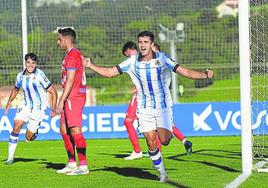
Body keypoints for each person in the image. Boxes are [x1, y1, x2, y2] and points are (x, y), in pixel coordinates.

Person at [83, 31, 213, 182]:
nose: (142, 45)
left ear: (151, 44)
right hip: (144, 108)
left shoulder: (163, 59)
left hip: (163, 107)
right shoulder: (132, 61)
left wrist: (204, 75)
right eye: (140, 42)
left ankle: (166, 132)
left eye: (146, 42)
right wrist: (90, 65)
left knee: (164, 140)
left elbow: (185, 72)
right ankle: (162, 173)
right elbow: (110, 72)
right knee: (150, 142)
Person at [122, 41, 192, 160]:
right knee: (163, 124)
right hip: (158, 97)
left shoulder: (152, 61)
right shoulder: (149, 61)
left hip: (146, 96)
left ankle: (138, 151)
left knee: (129, 121)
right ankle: (181, 141)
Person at [5, 52, 58, 165]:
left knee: (28, 137)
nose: (30, 65)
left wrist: (53, 108)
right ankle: (10, 157)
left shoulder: (40, 75)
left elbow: (53, 91)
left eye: (33, 63)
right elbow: (15, 89)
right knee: (16, 126)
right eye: (28, 62)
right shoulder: (20, 76)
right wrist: (9, 102)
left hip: (38, 108)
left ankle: (34, 131)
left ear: (36, 64)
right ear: (25, 63)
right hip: (25, 105)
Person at [55, 27, 89, 175]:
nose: (58, 42)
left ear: (67, 40)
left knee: (75, 130)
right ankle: (72, 163)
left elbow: (69, 81)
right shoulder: (71, 55)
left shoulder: (72, 56)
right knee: (63, 129)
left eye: (60, 39)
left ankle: (83, 166)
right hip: (71, 96)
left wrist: (61, 100)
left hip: (73, 97)